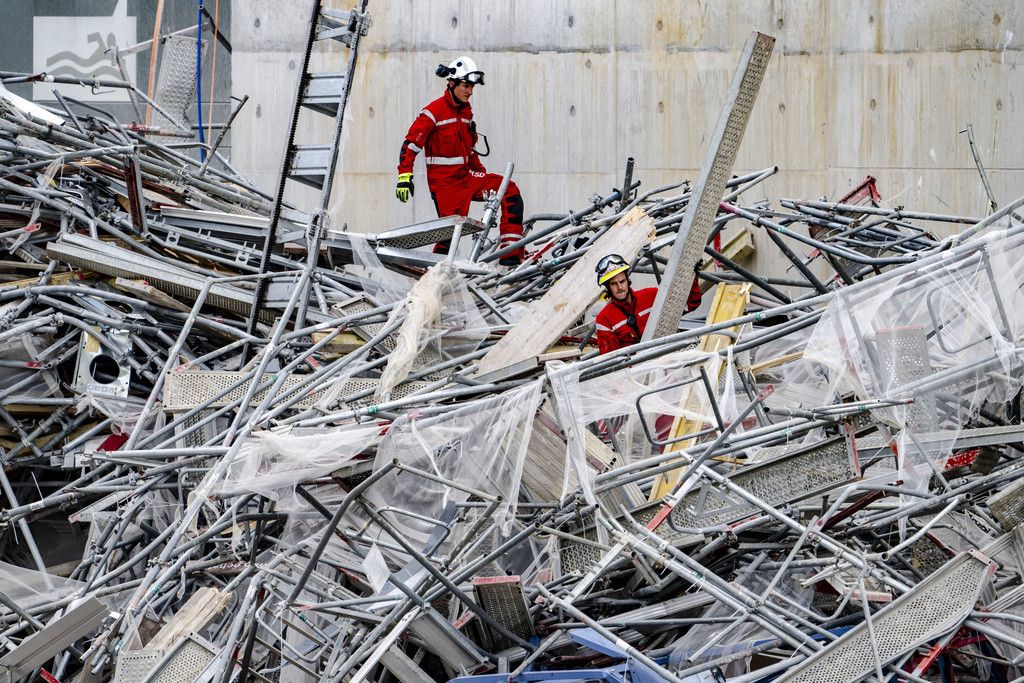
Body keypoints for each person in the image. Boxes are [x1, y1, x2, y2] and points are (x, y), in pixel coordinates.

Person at [395, 56, 525, 265]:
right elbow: (410, 146)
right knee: (449, 238)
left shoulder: (466, 113)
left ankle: (510, 258)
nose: (470, 91)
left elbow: (470, 152)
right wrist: (404, 176)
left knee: (508, 190)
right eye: (466, 85)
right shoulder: (433, 112)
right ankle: (429, 277)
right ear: (452, 83)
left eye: (472, 86)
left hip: (466, 178)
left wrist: (482, 175)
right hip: (445, 186)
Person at [594, 254, 703, 354]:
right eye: (614, 284)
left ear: (627, 280)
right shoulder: (604, 319)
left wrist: (692, 277)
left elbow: (690, 304)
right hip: (635, 370)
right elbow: (611, 359)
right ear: (608, 287)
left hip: (666, 358)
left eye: (622, 281)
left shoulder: (651, 296)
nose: (620, 287)